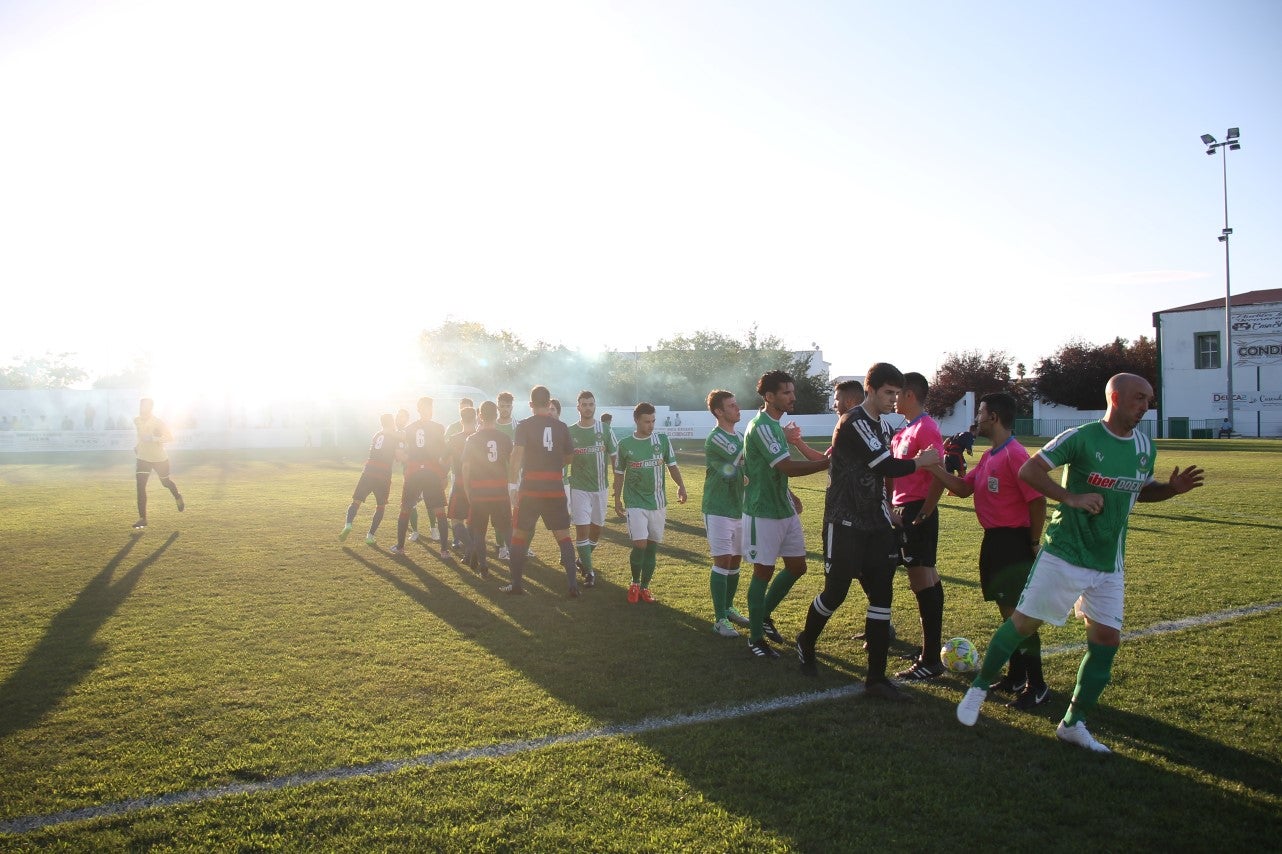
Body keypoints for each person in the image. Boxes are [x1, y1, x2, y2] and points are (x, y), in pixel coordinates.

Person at [957, 374, 1205, 753]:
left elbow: (1140, 491)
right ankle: (978, 688)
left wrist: (1171, 489)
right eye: (1139, 398)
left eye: (1150, 400)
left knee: (1106, 640)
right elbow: (1030, 471)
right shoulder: (1081, 436)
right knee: (1023, 623)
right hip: (1066, 553)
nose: (1146, 406)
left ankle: (1073, 724)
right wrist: (1070, 497)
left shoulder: (1143, 445)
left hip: (1109, 561)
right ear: (1116, 398)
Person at [795, 364, 939, 697]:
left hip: (875, 523)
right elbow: (884, 464)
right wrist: (923, 461)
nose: (894, 399)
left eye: (897, 393)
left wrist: (888, 507)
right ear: (870, 390)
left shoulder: (883, 427)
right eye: (888, 392)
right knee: (836, 594)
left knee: (882, 594)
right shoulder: (854, 422)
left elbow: (883, 475)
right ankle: (806, 640)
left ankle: (875, 679)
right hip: (844, 522)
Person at [926, 393, 1050, 710]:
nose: (976, 418)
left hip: (1014, 542)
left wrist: (1033, 541)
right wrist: (933, 467)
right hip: (994, 542)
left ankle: (1037, 686)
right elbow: (964, 489)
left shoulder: (1015, 455)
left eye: (980, 412)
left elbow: (1037, 500)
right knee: (1008, 614)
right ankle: (1016, 677)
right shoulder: (990, 455)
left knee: (1018, 618)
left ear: (993, 417)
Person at [741, 370, 830, 658]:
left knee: (797, 567)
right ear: (769, 396)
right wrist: (830, 463)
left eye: (792, 391)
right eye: (786, 392)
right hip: (762, 512)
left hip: (783, 508)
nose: (793, 396)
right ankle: (755, 638)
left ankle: (763, 616)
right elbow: (786, 467)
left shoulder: (775, 426)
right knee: (763, 572)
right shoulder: (763, 427)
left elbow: (773, 470)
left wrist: (789, 494)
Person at [889, 372, 949, 680]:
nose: (893, 399)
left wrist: (925, 510)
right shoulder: (906, 428)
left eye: (897, 393)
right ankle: (929, 650)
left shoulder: (926, 427)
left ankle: (930, 660)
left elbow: (940, 470)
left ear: (909, 395)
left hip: (916, 510)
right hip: (904, 509)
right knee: (925, 577)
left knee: (922, 578)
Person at [507, 386, 580, 596]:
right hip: (555, 487)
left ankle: (517, 584)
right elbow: (569, 457)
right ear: (549, 404)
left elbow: (516, 457)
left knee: (519, 535)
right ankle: (572, 585)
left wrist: (512, 485)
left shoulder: (523, 426)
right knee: (564, 537)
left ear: (530, 404)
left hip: (530, 488)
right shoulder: (562, 427)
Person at [613, 402, 687, 603]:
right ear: (636, 420)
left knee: (652, 546)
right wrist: (617, 497)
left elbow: (672, 466)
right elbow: (619, 474)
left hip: (658, 502)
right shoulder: (625, 444)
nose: (651, 425)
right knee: (640, 544)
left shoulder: (662, 440)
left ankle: (645, 587)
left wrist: (681, 485)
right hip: (635, 501)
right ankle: (634, 583)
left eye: (653, 421)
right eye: (647, 421)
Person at [703, 390, 749, 636]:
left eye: (736, 403)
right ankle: (720, 619)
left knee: (735, 561)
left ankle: (728, 608)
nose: (737, 408)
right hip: (718, 508)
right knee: (722, 561)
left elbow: (749, 467)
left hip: (739, 507)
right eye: (731, 406)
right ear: (719, 412)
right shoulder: (716, 438)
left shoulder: (741, 436)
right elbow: (739, 457)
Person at [567, 391, 618, 588]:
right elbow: (565, 459)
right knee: (582, 530)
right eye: (584, 404)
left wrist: (617, 481)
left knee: (597, 529)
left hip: (600, 488)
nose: (588, 407)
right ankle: (589, 572)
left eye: (591, 404)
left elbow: (614, 456)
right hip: (579, 488)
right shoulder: (570, 431)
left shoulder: (604, 429)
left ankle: (582, 559)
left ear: (594, 406)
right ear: (578, 407)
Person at [391, 397, 450, 557]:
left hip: (414, 471)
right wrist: (444, 474)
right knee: (439, 511)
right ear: (430, 409)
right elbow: (445, 455)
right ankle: (444, 550)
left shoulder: (409, 428)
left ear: (418, 409)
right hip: (432, 472)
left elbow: (402, 453)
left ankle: (400, 547)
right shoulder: (438, 427)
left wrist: (407, 460)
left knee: (405, 508)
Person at [462, 401, 513, 578]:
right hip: (499, 490)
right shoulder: (504, 438)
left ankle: (484, 567)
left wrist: (468, 490)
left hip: (479, 491)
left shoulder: (473, 439)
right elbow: (513, 463)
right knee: (507, 529)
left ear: (480, 416)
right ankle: (515, 566)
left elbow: (466, 467)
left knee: (479, 531)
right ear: (496, 415)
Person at [339, 413, 401, 545]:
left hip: (368, 470)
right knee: (380, 506)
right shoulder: (395, 436)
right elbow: (398, 455)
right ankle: (370, 535)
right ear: (392, 423)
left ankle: (348, 524)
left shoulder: (377, 435)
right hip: (383, 473)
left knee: (356, 501)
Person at [131, 398, 184, 529]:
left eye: (146, 405)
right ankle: (143, 518)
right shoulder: (136, 420)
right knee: (140, 487)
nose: (143, 407)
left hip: (159, 458)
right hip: (143, 458)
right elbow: (141, 436)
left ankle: (177, 496)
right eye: (141, 405)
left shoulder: (158, 422)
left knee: (165, 482)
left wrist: (153, 438)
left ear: (151, 407)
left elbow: (170, 438)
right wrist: (137, 445)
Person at [444, 406, 479, 564]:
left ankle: (470, 547)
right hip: (479, 483)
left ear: (460, 420)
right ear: (476, 418)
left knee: (456, 521)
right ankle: (469, 553)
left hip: (459, 482)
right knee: (473, 520)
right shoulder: (481, 437)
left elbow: (443, 460)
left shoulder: (454, 438)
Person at [395, 408, 421, 543]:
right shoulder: (398, 432)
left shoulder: (407, 433)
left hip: (414, 470)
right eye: (398, 416)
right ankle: (416, 529)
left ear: (407, 419)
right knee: (410, 502)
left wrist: (403, 456)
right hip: (408, 470)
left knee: (410, 503)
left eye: (402, 417)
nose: (399, 419)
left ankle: (416, 531)